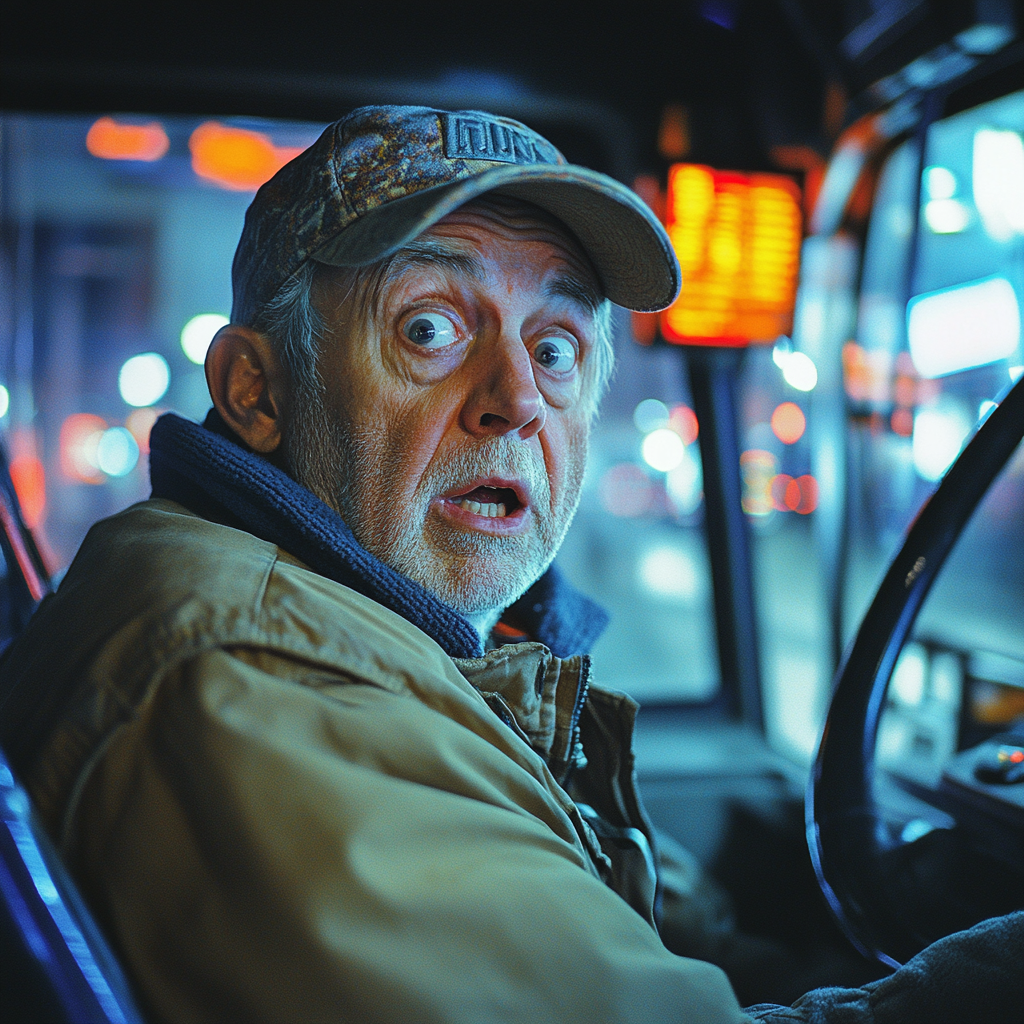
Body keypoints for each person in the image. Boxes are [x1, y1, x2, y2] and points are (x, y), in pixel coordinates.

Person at [0, 105, 1019, 1024]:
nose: (517, 397)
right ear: (256, 392)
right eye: (430, 328)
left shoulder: (402, 638)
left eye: (558, 345)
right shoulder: (257, 677)